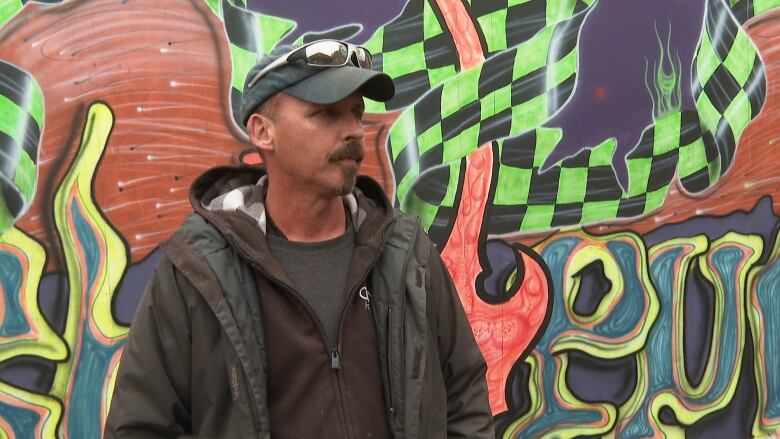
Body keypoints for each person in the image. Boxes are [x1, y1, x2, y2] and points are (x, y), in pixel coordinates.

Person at [104, 39, 494, 438]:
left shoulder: (406, 253)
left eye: (356, 113)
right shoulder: (199, 270)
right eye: (326, 114)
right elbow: (140, 424)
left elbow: (463, 392)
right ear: (263, 132)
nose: (353, 131)